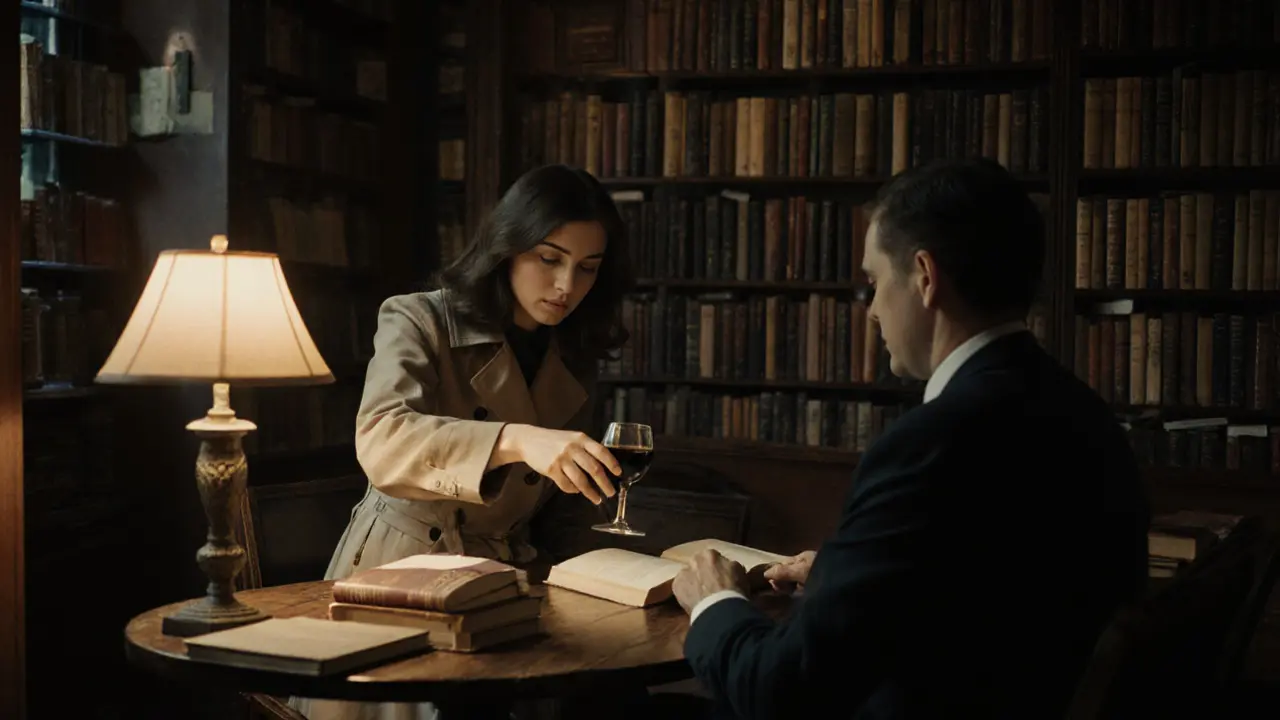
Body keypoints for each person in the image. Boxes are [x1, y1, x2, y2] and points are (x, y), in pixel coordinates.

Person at [670, 158, 1151, 719]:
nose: (871, 310)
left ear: (924, 276)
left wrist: (714, 601)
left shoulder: (932, 443)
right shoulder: (1080, 410)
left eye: (874, 282)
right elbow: (993, 583)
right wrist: (843, 575)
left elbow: (780, 691)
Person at [292, 164, 634, 720]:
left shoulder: (571, 354)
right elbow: (381, 437)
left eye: (587, 268)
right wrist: (516, 439)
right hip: (400, 576)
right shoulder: (418, 317)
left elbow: (555, 504)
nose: (566, 286)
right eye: (549, 259)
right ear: (507, 247)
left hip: (504, 587)